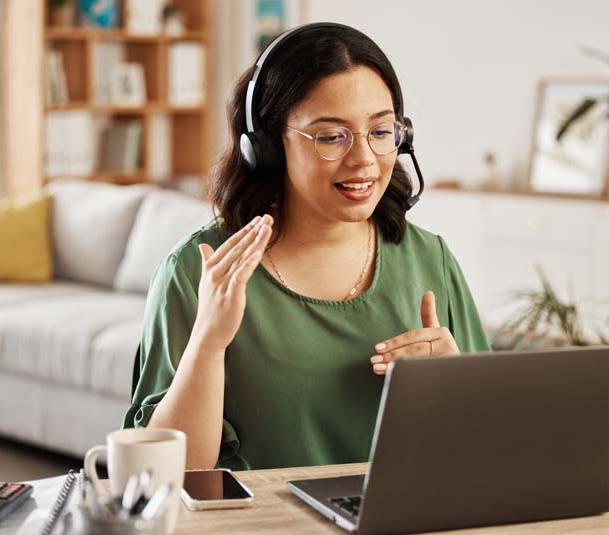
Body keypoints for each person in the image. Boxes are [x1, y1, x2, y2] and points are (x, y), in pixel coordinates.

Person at [123, 23, 490, 471]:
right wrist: (208, 343)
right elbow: (171, 476)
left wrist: (455, 384)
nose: (364, 160)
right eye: (332, 136)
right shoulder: (199, 270)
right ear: (267, 147)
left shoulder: (431, 260)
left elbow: (485, 453)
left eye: (380, 132)